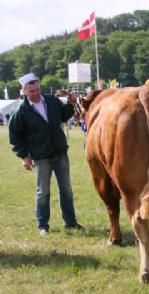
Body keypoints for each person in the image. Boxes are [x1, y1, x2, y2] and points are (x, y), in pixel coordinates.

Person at [8, 73, 84, 236]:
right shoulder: (21, 110)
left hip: (60, 151)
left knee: (66, 189)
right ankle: (43, 225)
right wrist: (23, 156)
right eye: (31, 91)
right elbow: (15, 134)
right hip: (40, 156)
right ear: (24, 92)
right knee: (43, 192)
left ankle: (70, 222)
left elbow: (64, 116)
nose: (35, 93)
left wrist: (71, 104)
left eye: (37, 89)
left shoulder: (51, 100)